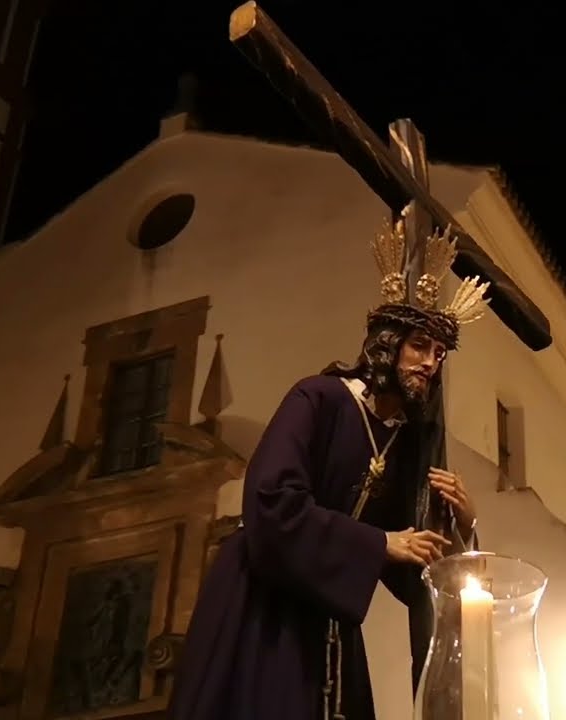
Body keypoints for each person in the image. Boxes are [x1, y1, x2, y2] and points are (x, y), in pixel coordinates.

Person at [169, 211, 491, 720]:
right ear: (386, 346)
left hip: (330, 621)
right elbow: (271, 501)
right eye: (420, 347)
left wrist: (465, 526)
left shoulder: (406, 444)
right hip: (263, 603)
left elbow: (418, 576)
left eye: (439, 355)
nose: (431, 363)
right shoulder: (319, 398)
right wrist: (379, 543)